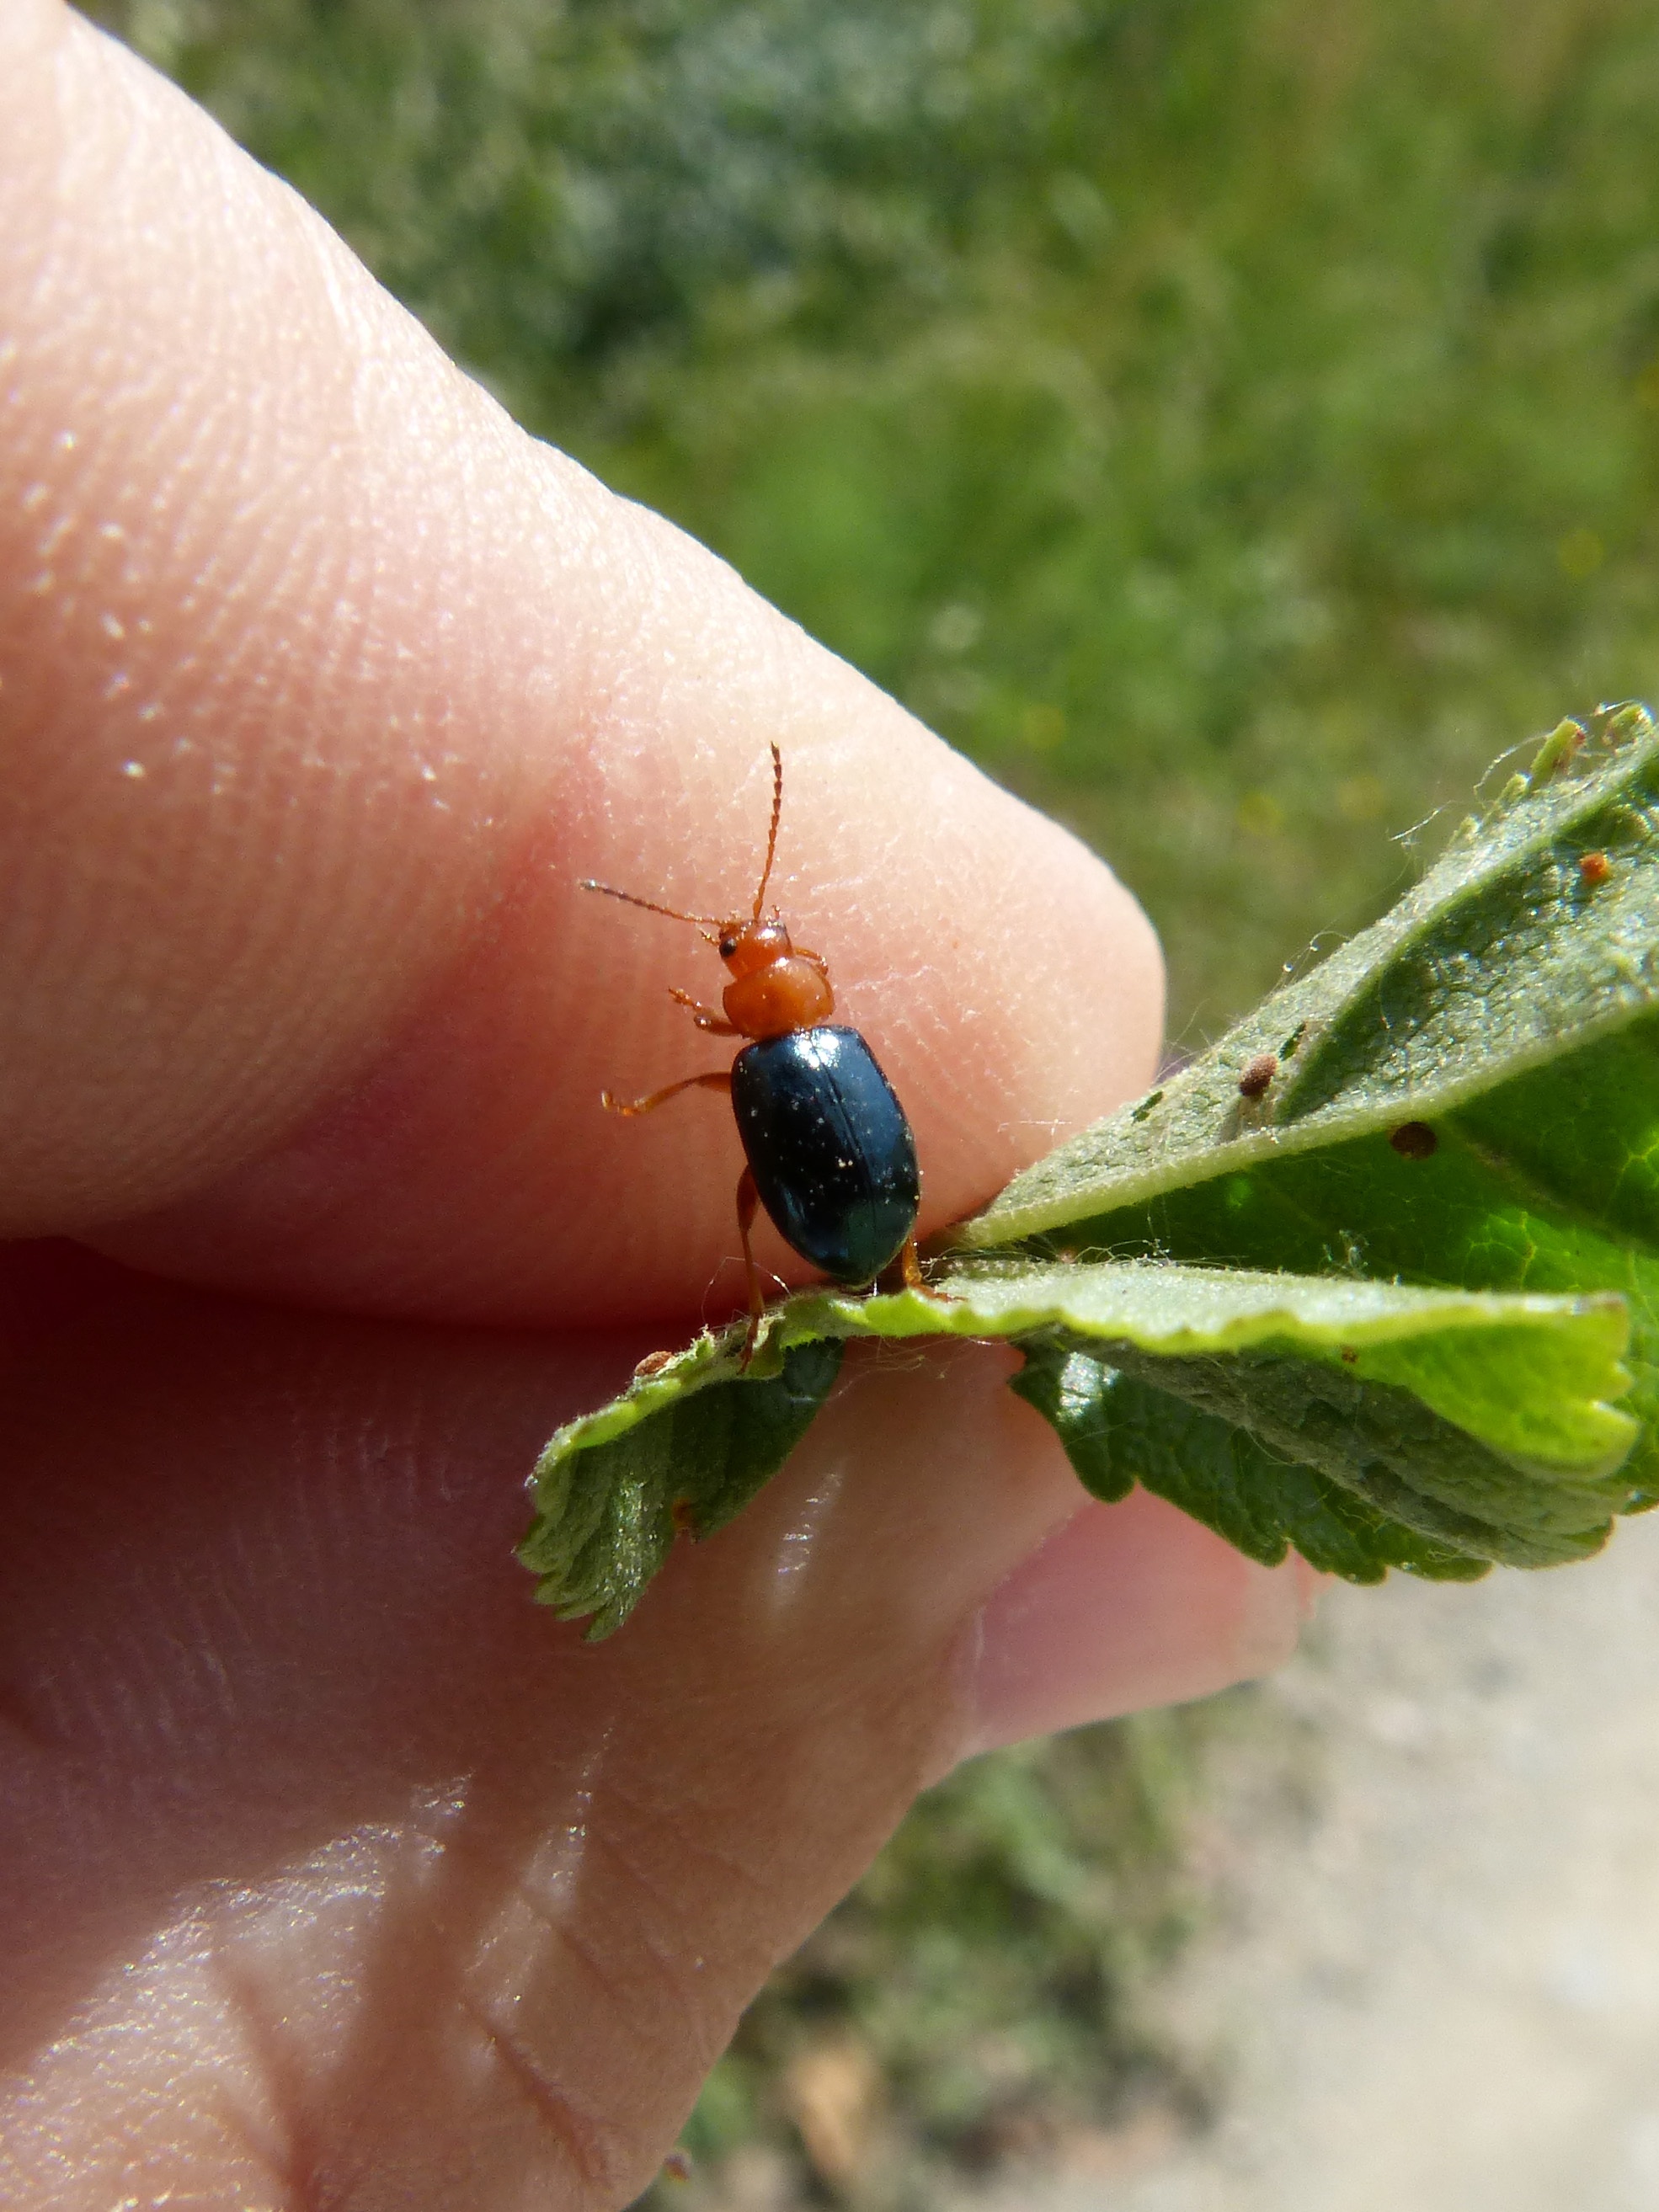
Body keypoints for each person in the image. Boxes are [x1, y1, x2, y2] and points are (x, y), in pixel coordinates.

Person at [0, 4, 1318, 2200]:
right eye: (740, 966)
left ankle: (808, 1279)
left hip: (838, 1190)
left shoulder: (782, 1042)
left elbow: (807, 1132)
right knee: (812, 1179)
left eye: (746, 957)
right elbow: (827, 1135)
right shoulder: (813, 1035)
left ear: (770, 979)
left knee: (798, 1182)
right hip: (847, 1185)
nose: (747, 970)